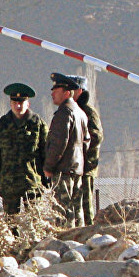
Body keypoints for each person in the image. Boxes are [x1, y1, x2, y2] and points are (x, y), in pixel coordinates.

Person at [0, 83, 48, 214]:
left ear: (28, 104)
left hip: (32, 182)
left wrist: (47, 178)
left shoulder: (37, 124)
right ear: (10, 104)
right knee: (11, 221)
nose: (18, 106)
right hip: (9, 183)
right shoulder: (2, 125)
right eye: (15, 102)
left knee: (34, 220)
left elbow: (46, 152)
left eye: (21, 102)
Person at [44, 73, 88, 227]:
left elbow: (59, 143)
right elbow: (86, 142)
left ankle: (66, 239)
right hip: (76, 170)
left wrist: (49, 166)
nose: (52, 93)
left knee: (63, 213)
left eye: (56, 90)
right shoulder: (80, 113)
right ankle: (79, 239)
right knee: (77, 212)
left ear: (67, 93)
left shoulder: (64, 113)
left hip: (63, 171)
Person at [69, 75, 103, 225]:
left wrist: (78, 147)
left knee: (85, 204)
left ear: (80, 91)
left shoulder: (88, 111)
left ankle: (88, 230)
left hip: (86, 167)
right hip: (72, 167)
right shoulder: (70, 110)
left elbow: (96, 136)